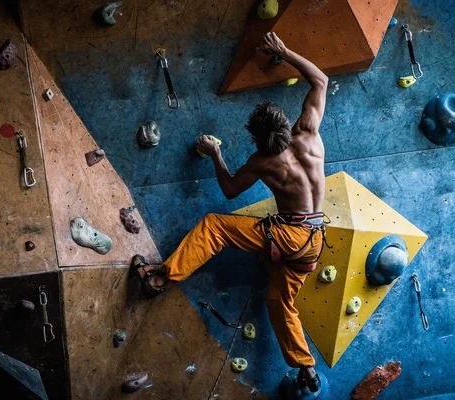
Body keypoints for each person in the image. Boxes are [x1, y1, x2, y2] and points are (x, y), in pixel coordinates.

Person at [130, 31, 329, 392]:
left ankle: (158, 280)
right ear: (287, 123)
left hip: (289, 236)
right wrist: (284, 51)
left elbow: (230, 189)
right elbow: (320, 79)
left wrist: (215, 154)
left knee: (215, 227)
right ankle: (306, 368)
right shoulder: (310, 134)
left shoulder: (263, 161)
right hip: (314, 240)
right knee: (279, 300)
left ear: (257, 140)